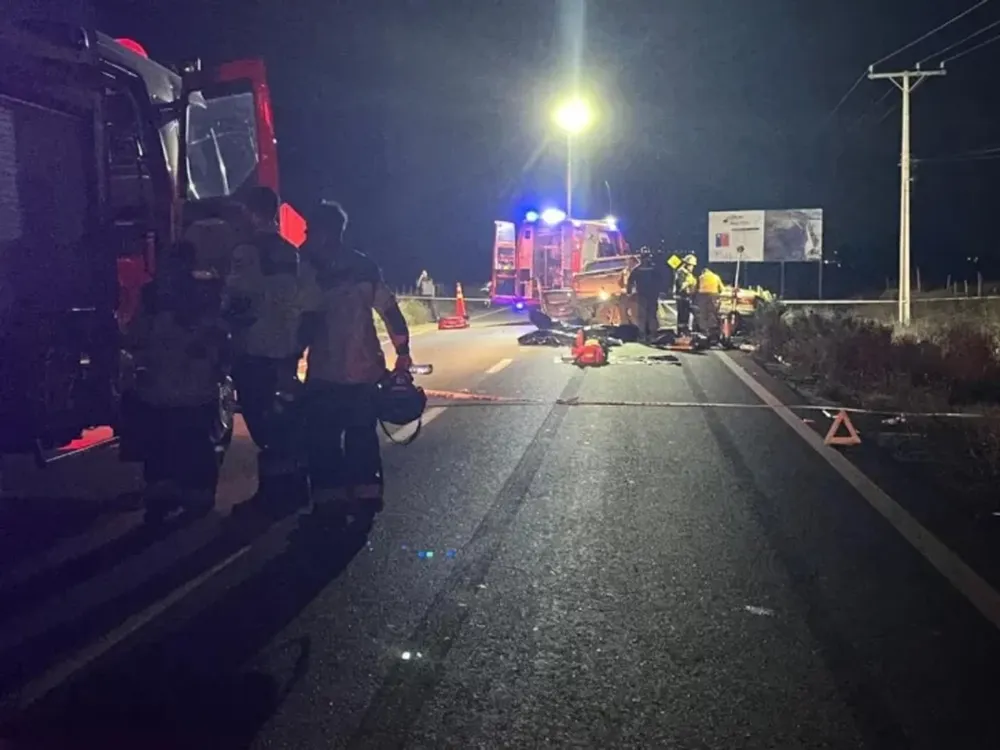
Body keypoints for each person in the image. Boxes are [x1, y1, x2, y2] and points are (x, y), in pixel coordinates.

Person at [298, 199, 412, 520]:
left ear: (327, 232)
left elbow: (306, 322)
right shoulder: (364, 266)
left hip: (328, 372)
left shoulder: (309, 270)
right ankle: (364, 496)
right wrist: (402, 353)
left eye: (311, 231)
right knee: (360, 434)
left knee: (325, 438)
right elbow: (390, 312)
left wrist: (287, 360)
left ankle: (332, 501)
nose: (306, 238)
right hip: (363, 369)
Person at [125, 241, 228, 522]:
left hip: (167, 383)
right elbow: (219, 333)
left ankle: (168, 497)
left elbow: (137, 333)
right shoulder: (205, 293)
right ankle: (191, 496)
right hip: (188, 384)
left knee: (166, 444)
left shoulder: (154, 294)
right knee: (191, 442)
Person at [223, 186, 307, 512]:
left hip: (255, 347)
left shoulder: (246, 251)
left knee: (262, 421)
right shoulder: (290, 251)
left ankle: (274, 495)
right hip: (286, 346)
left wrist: (223, 322)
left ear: (252, 213)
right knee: (284, 418)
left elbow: (238, 297)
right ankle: (295, 486)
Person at [626, 247, 662, 342]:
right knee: (648, 315)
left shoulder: (638, 270)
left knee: (647, 315)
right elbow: (660, 280)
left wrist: (629, 291)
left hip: (646, 295)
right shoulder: (653, 269)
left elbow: (630, 281)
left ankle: (647, 334)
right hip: (648, 295)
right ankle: (649, 334)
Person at [695, 265, 724, 337]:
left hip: (702, 296)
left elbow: (696, 288)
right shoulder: (716, 277)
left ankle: (704, 330)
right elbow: (722, 288)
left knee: (703, 313)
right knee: (713, 312)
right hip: (713, 295)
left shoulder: (701, 277)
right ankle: (713, 329)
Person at [673, 253, 698, 335]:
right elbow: (682, 286)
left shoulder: (688, 273)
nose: (692, 268)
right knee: (682, 315)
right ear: (686, 264)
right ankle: (681, 331)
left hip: (687, 297)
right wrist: (688, 282)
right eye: (691, 265)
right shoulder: (681, 272)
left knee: (686, 315)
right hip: (681, 297)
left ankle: (685, 330)